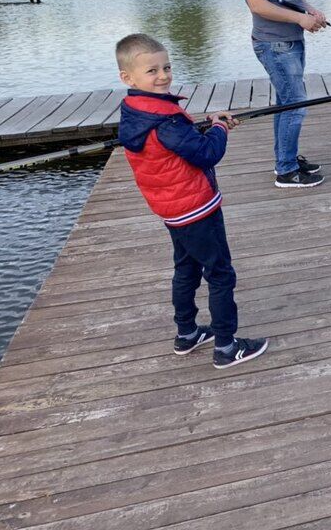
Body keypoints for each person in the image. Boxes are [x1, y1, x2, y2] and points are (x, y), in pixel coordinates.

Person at [115, 33, 268, 369]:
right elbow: (206, 154)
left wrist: (207, 125)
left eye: (166, 67)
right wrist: (219, 129)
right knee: (220, 273)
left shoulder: (135, 110)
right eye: (152, 71)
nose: (164, 75)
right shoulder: (167, 119)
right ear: (127, 77)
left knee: (186, 267)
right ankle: (227, 347)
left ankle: (187, 334)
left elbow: (174, 144)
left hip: (171, 208)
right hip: (195, 206)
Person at [233, 0, 327, 188]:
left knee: (286, 103)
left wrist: (309, 9)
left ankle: (285, 159)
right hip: (274, 44)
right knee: (295, 105)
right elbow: (258, 5)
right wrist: (299, 20)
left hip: (291, 40)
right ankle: (286, 172)